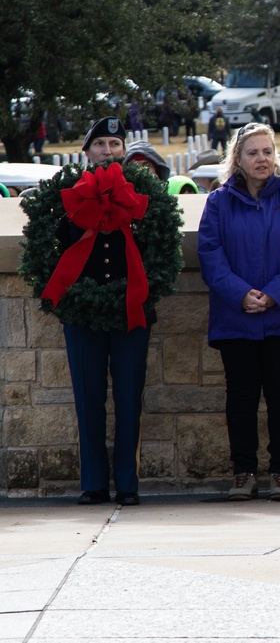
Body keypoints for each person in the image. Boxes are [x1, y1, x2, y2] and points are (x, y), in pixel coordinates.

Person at [198, 122, 280, 500]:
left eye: (267, 151)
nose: (261, 159)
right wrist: (240, 294)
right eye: (253, 152)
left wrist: (272, 295)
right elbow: (210, 254)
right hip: (236, 318)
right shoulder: (218, 202)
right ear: (238, 158)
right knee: (242, 398)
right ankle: (243, 473)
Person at [57, 118, 156, 505]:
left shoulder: (141, 196)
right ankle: (94, 482)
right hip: (82, 314)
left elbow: (156, 252)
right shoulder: (65, 196)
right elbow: (51, 252)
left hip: (131, 312)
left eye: (115, 143)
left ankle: (128, 484)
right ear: (87, 152)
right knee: (88, 396)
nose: (108, 150)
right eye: (100, 143)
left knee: (130, 397)